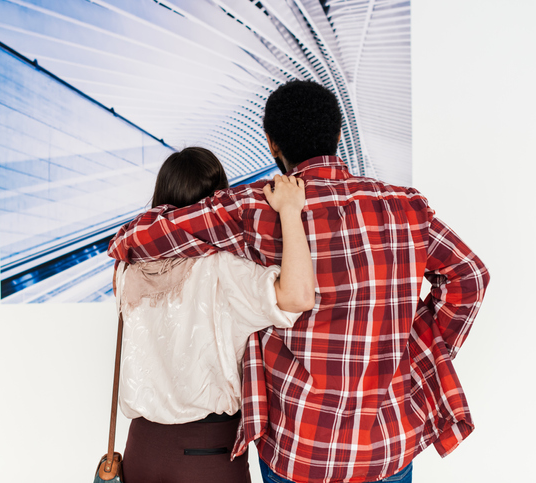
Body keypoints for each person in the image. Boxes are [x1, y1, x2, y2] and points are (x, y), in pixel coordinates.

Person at [109, 81, 490, 482]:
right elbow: (470, 275)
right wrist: (414, 348)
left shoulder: (255, 207)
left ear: (271, 143)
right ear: (339, 135)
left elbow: (142, 238)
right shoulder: (405, 208)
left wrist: (126, 239)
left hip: (298, 447)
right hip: (386, 444)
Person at [114, 147, 316, 483]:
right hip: (207, 454)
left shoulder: (127, 269)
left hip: (141, 450)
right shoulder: (223, 270)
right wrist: (290, 212)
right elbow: (296, 296)